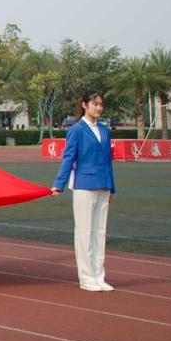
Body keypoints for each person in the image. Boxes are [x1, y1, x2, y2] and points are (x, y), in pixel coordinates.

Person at [52, 92, 116, 291]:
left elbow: (108, 161)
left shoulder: (104, 131)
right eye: (95, 104)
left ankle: (99, 275)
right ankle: (87, 278)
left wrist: (111, 186)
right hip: (84, 184)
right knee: (84, 232)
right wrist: (59, 184)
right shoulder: (77, 130)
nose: (98, 108)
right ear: (84, 105)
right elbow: (68, 158)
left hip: (103, 184)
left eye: (101, 105)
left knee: (100, 232)